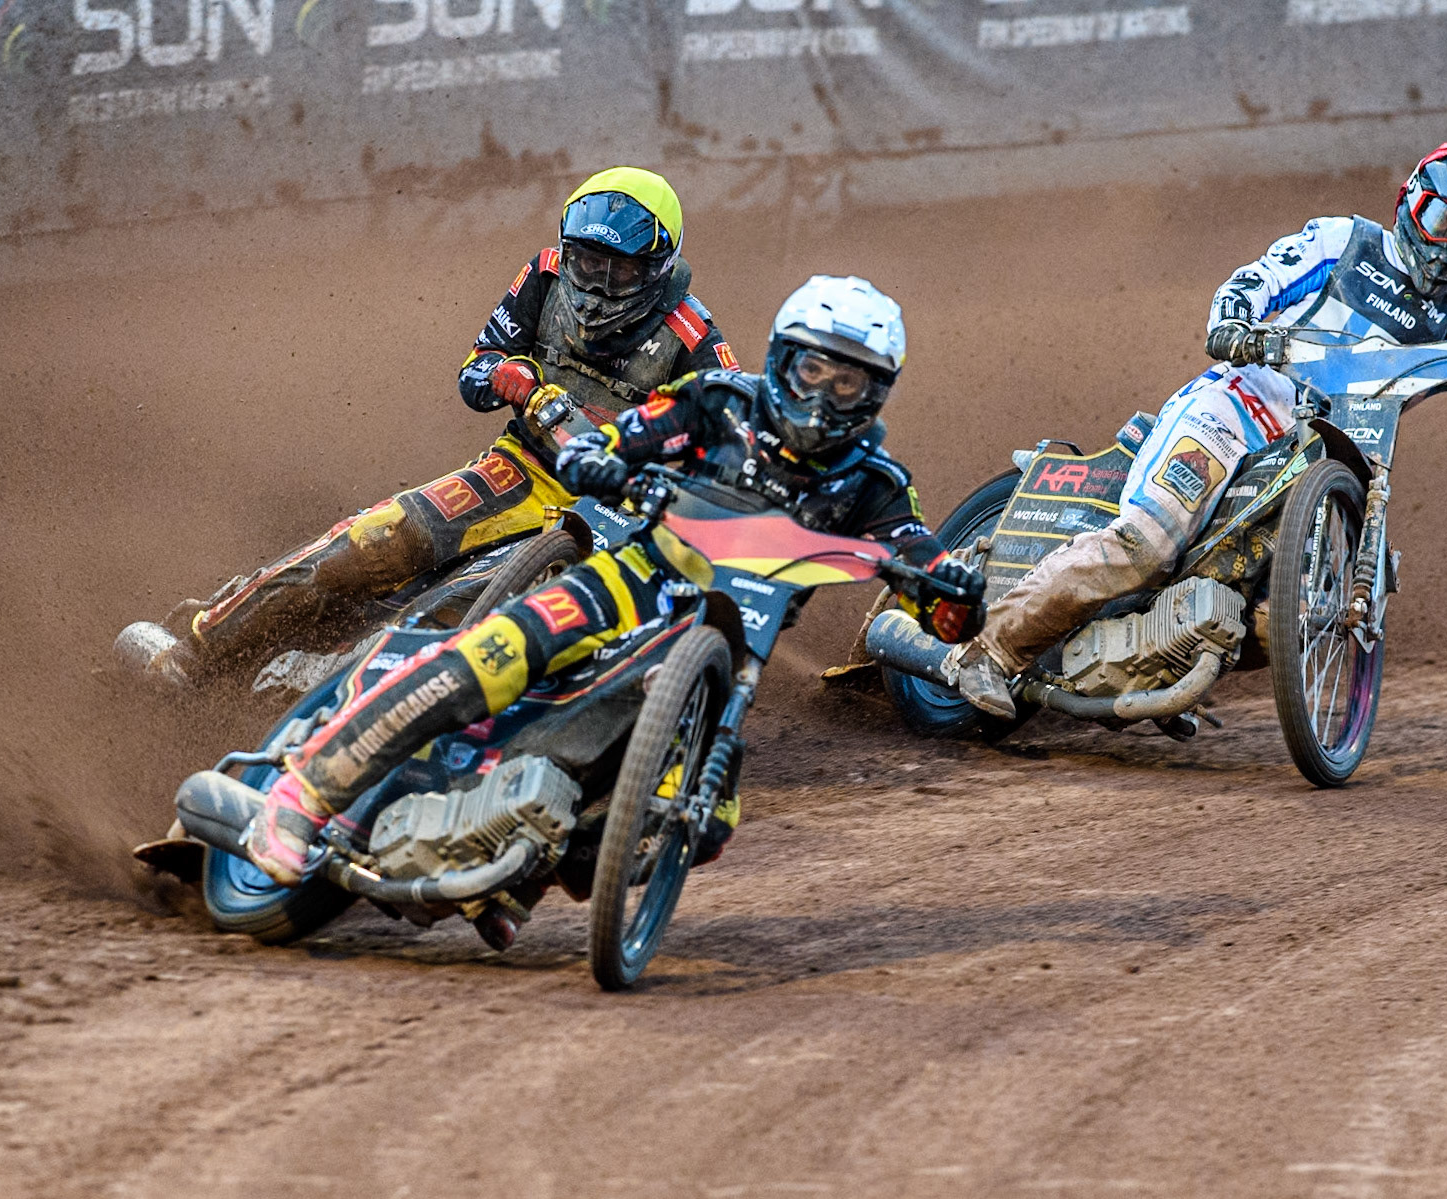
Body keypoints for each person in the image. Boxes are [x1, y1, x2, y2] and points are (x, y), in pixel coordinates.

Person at [240, 276, 983, 944]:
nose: (824, 395)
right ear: (784, 359)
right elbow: (633, 435)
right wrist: (601, 459)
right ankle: (302, 797)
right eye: (813, 370)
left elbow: (912, 549)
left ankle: (514, 869)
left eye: (849, 383)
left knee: (704, 821)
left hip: (728, 648)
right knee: (491, 658)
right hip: (629, 579)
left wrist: (952, 593)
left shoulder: (876, 484)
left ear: (877, 393)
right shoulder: (720, 401)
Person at [950, 141, 1447, 717]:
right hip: (1239, 410)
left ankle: (1159, 655)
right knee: (1148, 543)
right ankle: (986, 652)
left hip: (1333, 455)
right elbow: (1258, 279)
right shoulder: (1344, 242)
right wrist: (1234, 321)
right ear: (1412, 203)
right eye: (1446, 221)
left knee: (1286, 616)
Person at [119, 167, 736, 685]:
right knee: (369, 541)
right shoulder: (545, 277)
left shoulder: (695, 339)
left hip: (607, 516)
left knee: (456, 605)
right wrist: (509, 379)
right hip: (515, 469)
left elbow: (732, 458)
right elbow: (474, 373)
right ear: (566, 249)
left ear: (659, 265)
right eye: (586, 262)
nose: (597, 286)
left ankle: (320, 682)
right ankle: (198, 647)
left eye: (619, 272)